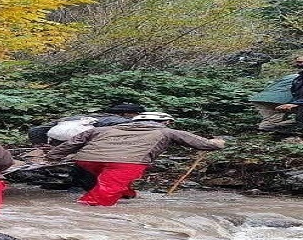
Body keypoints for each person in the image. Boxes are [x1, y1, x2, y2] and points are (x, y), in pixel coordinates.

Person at [46, 112, 225, 206]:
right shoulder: (165, 131)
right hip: (126, 163)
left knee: (108, 180)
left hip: (87, 161)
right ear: (165, 122)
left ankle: (126, 194)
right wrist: (216, 143)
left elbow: (75, 141)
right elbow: (198, 142)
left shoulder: (105, 129)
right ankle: (84, 211)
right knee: (105, 193)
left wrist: (53, 156)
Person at [28, 103, 146, 146]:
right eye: (136, 113)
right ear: (127, 113)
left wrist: (39, 145)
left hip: (56, 142)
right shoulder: (122, 121)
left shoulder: (80, 118)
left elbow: (35, 130)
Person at [249, 56, 303, 133]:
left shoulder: (296, 77)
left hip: (264, 98)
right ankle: (270, 134)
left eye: (301, 62)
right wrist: (294, 103)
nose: (299, 64)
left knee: (271, 121)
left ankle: (265, 132)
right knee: (275, 120)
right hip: (278, 101)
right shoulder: (298, 78)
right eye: (298, 62)